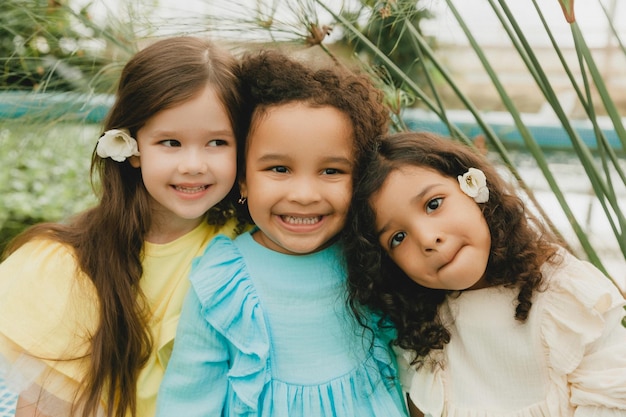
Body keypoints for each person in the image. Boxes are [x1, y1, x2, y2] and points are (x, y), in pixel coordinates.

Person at [0, 36, 247, 417]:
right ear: (132, 147)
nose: (194, 164)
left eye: (217, 142)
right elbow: (42, 409)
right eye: (171, 142)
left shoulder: (247, 244)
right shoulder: (69, 264)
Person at [155, 49, 409, 417]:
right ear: (243, 178)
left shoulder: (369, 256)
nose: (304, 195)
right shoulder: (226, 281)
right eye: (278, 169)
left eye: (332, 172)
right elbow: (189, 400)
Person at [344, 131, 626, 417]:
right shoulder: (425, 335)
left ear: (472, 187)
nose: (428, 239)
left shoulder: (565, 296)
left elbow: (613, 403)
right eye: (398, 237)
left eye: (433, 204)